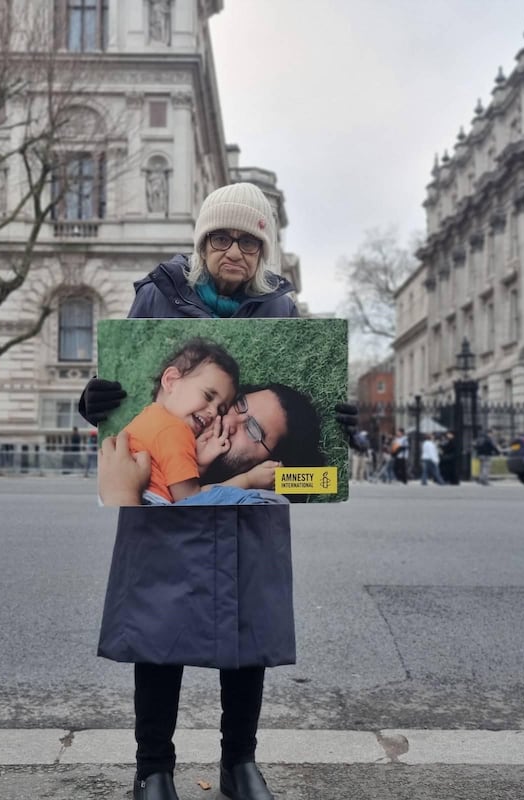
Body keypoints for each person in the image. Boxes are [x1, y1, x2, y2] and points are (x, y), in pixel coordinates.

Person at [78, 183, 351, 800]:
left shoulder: (280, 307)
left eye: (250, 240)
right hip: (165, 495)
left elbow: (296, 433)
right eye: (222, 238)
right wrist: (93, 402)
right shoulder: (157, 293)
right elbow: (121, 391)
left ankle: (239, 763)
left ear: (263, 249)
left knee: (246, 624)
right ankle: (154, 768)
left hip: (240, 507)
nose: (236, 250)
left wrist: (344, 421)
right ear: (202, 244)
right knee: (158, 625)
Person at [120, 336, 269, 504]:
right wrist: (249, 480)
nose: (213, 412)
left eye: (221, 410)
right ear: (171, 381)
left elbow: (167, 474)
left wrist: (198, 464)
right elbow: (192, 499)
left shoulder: (148, 419)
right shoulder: (174, 431)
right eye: (208, 395)